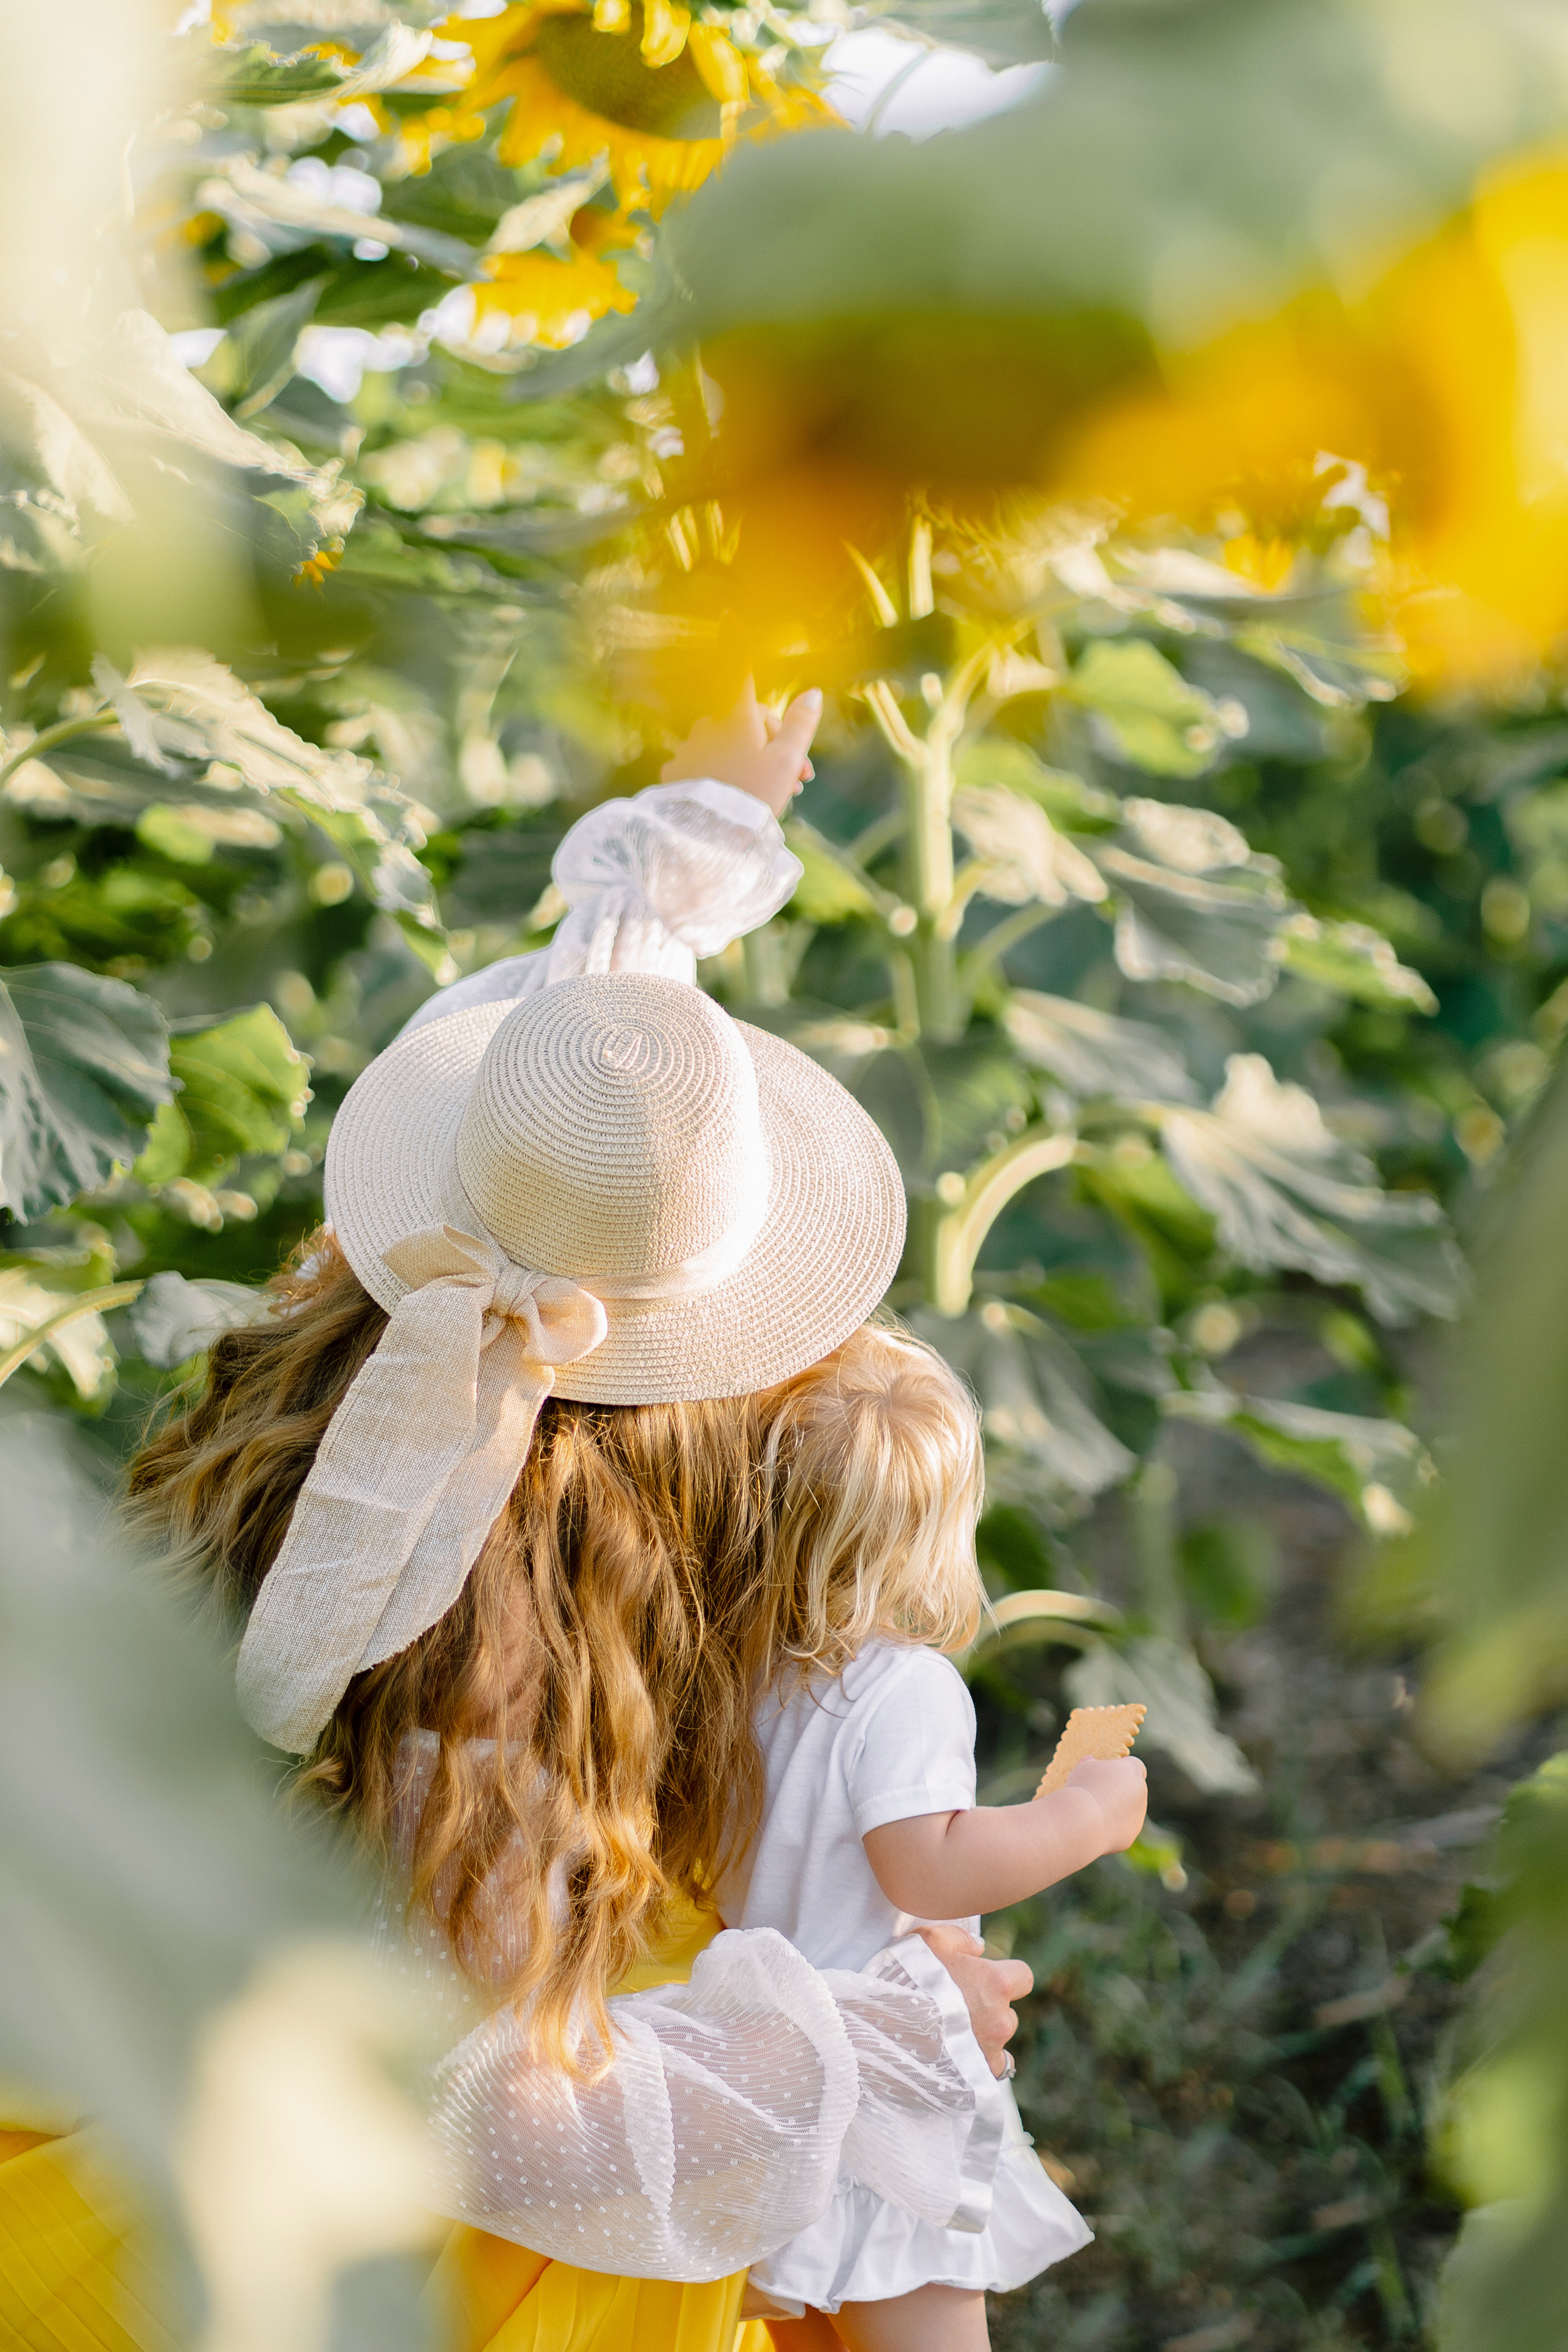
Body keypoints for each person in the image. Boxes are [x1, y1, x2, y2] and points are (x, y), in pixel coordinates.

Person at [124, 687, 1041, 2352]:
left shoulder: (375, 1347)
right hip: (402, 2232)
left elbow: (589, 1074)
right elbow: (474, 2095)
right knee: (896, 2106)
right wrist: (854, 2048)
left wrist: (696, 830)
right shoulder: (494, 1657)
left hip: (195, 2024)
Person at [709, 1319, 1145, 2347]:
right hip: (878, 2080)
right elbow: (930, 1865)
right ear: (938, 1532)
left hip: (758, 2063)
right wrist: (1082, 1816)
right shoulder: (902, 1687)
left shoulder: (731, 1678)